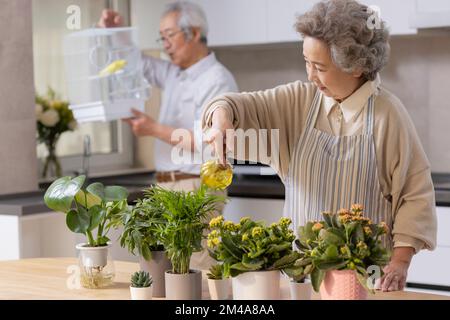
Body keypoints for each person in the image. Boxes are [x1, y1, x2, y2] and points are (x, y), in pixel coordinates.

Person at [202, 0, 437, 291]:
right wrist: (221, 118)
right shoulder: (299, 102)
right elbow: (237, 105)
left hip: (364, 282)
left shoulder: (387, 115)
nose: (310, 75)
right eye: (306, 62)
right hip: (300, 278)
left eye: (320, 67)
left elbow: (415, 195)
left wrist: (400, 262)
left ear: (355, 67)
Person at [98, 1, 238, 270]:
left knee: (197, 265)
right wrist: (115, 32)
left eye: (170, 36)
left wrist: (152, 128)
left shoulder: (217, 79)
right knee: (166, 269)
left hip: (197, 186)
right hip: (166, 186)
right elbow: (136, 62)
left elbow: (207, 139)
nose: (165, 44)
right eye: (161, 37)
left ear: (194, 33)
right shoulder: (174, 73)